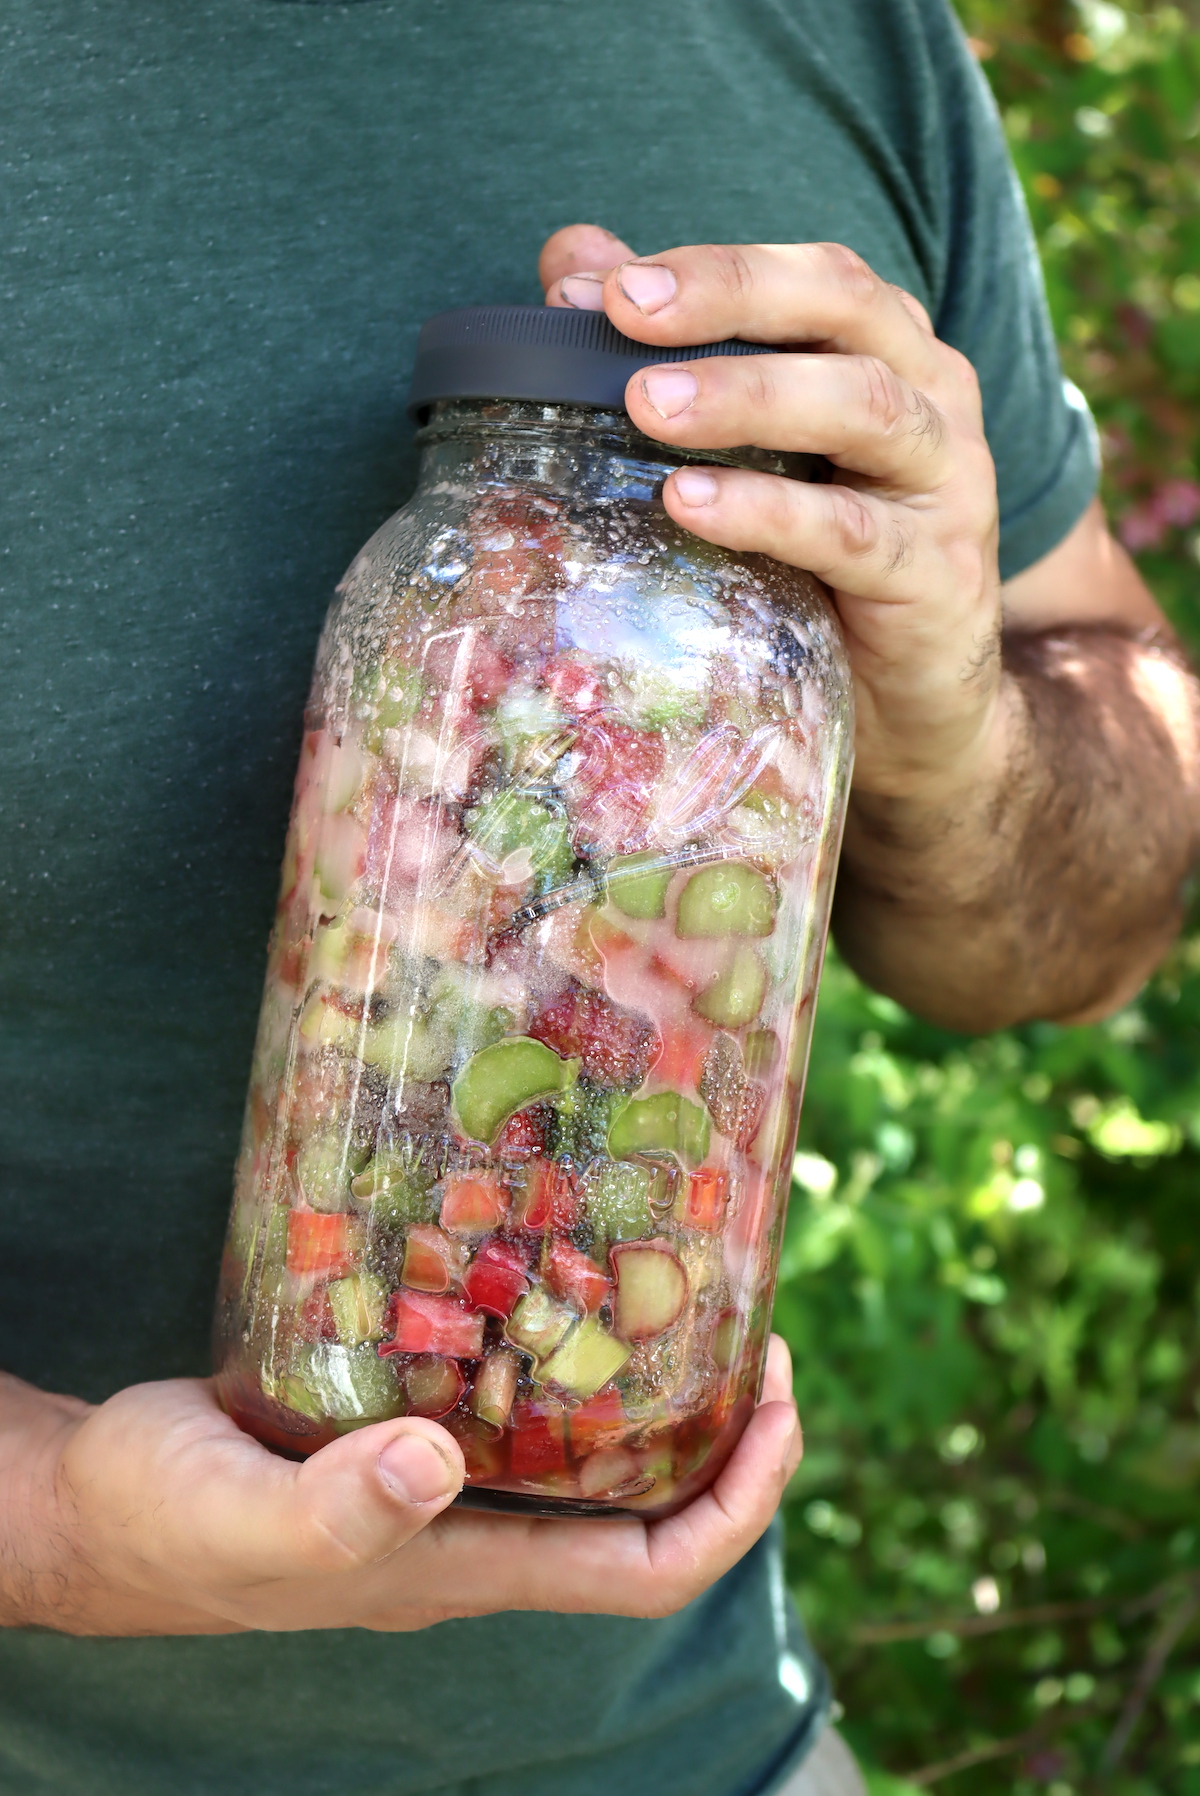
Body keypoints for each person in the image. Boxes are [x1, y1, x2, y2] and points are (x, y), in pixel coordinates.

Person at [1, 3, 1196, 1794]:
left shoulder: (849, 38)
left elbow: (1088, 935)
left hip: (712, 1752)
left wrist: (959, 739)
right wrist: (47, 1532)